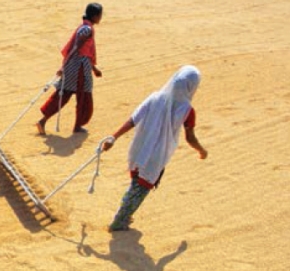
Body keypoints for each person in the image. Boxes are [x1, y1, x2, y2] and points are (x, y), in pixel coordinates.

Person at [101, 65, 208, 232]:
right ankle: (119, 221)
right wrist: (202, 150)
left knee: (136, 183)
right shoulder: (187, 110)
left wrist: (114, 137)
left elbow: (133, 120)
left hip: (139, 148)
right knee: (141, 188)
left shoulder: (155, 97)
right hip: (157, 155)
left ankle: (125, 214)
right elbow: (190, 137)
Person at [36, 3, 103, 135]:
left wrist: (94, 69)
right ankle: (77, 126)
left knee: (64, 94)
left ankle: (42, 121)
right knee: (84, 96)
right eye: (100, 15)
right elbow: (76, 48)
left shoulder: (84, 27)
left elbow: (82, 51)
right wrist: (63, 66)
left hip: (75, 67)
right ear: (95, 16)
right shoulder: (86, 30)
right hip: (79, 68)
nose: (101, 18)